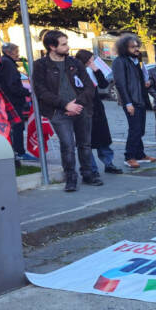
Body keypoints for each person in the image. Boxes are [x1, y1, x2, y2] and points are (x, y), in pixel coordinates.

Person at [32, 30, 102, 191]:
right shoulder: (41, 65)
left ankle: (88, 174)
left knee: (85, 144)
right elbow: (41, 91)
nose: (68, 47)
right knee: (67, 145)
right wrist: (65, 105)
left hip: (81, 109)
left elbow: (89, 87)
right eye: (63, 44)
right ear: (52, 46)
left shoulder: (75, 63)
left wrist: (77, 104)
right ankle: (70, 177)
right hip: (58, 112)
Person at [74, 49, 122, 176]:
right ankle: (92, 168)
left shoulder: (93, 70)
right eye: (89, 59)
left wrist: (96, 70)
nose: (91, 61)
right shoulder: (76, 72)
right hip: (83, 109)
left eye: (92, 59)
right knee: (86, 141)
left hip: (97, 109)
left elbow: (103, 84)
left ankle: (108, 163)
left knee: (103, 138)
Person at [112, 35, 155, 169]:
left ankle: (140, 154)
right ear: (125, 48)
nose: (136, 49)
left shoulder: (135, 61)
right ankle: (129, 156)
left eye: (137, 46)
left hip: (140, 99)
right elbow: (121, 84)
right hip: (131, 101)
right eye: (133, 47)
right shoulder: (120, 61)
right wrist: (128, 103)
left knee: (140, 129)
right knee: (135, 129)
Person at [0, 43, 31, 159]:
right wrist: (27, 93)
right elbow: (12, 84)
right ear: (8, 52)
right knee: (17, 126)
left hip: (10, 98)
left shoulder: (6, 62)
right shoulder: (8, 63)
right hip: (13, 100)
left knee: (16, 126)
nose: (18, 54)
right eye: (16, 51)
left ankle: (17, 151)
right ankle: (19, 152)